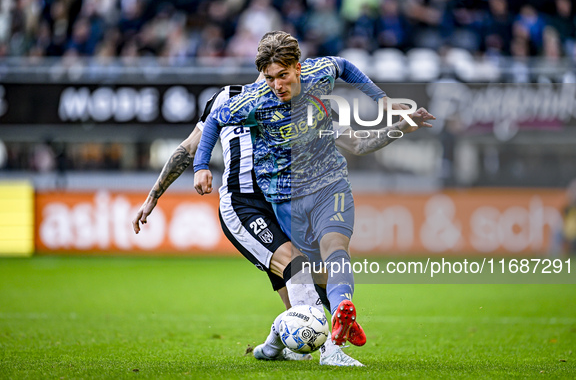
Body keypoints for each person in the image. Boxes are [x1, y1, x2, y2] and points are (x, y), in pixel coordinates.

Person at [132, 77, 419, 365]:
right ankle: (330, 351)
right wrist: (153, 197)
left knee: (314, 281)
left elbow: (357, 143)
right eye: (273, 75)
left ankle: (274, 345)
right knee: (297, 267)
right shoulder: (227, 99)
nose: (281, 82)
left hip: (279, 203)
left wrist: (401, 126)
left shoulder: (304, 104)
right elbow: (189, 148)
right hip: (242, 205)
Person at [193, 31, 434, 358]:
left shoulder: (319, 78)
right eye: (270, 78)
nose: (277, 85)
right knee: (313, 273)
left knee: (335, 247)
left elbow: (345, 68)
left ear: (298, 68)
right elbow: (216, 121)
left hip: (329, 184)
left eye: (283, 75)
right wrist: (200, 165)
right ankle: (310, 326)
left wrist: (384, 102)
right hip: (285, 196)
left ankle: (339, 322)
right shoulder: (255, 100)